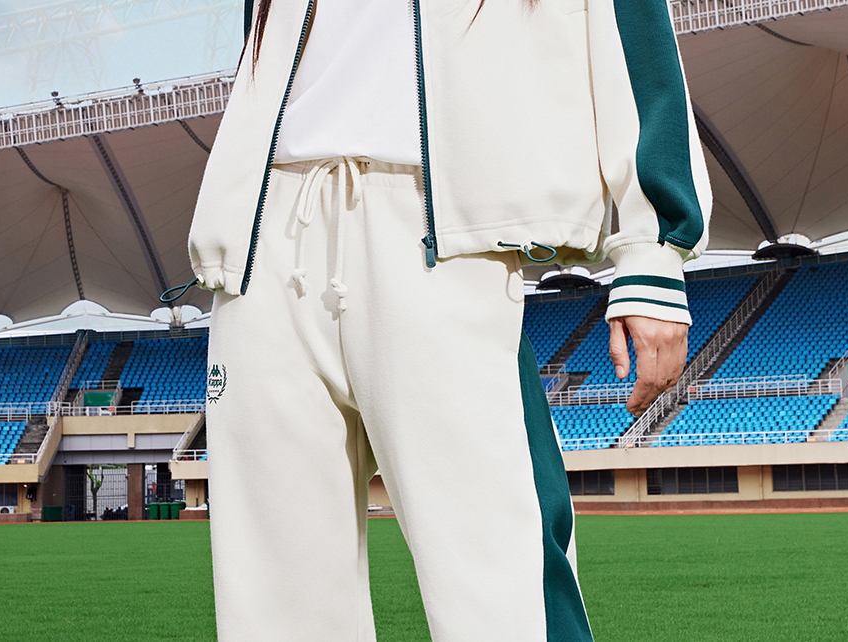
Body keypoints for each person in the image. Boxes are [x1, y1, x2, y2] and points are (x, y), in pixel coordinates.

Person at [184, 0, 710, 639]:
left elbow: (629, 21)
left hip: (436, 232)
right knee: (274, 610)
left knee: (501, 593)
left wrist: (653, 248)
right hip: (263, 238)